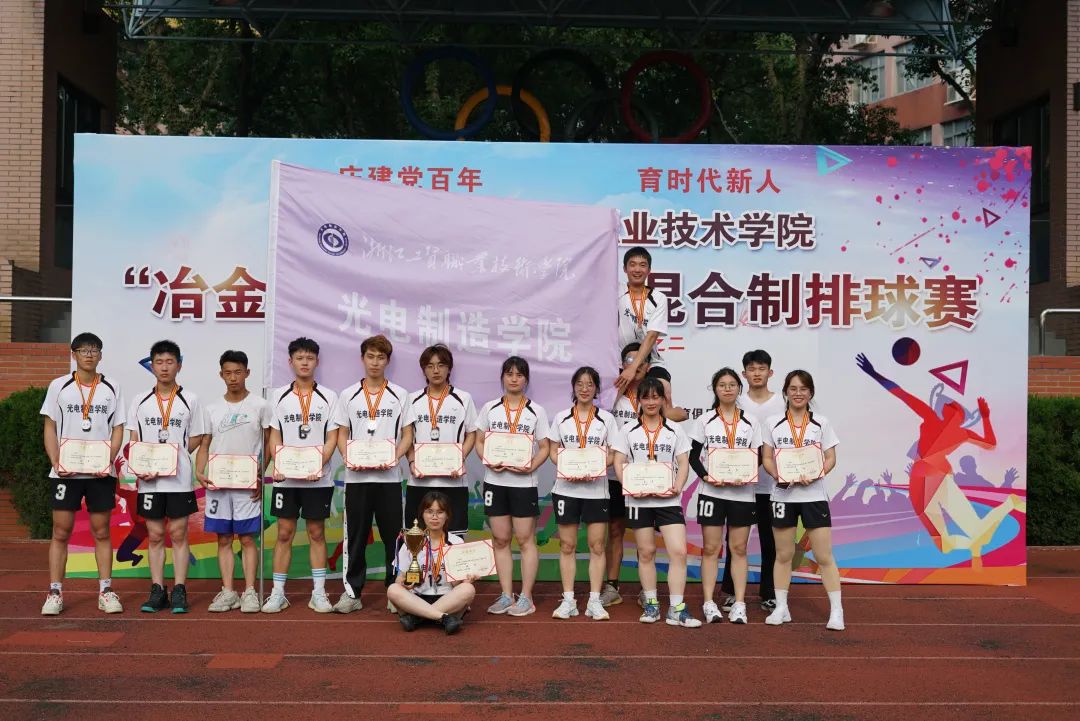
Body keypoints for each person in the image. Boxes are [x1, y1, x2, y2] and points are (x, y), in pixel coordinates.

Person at [856, 353, 1023, 563]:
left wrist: (874, 373)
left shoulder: (933, 418)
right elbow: (990, 444)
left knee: (946, 544)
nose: (944, 405)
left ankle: (991, 524)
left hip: (926, 480)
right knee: (964, 538)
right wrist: (986, 417)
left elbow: (901, 393)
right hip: (936, 477)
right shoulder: (961, 432)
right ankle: (1002, 512)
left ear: (949, 413)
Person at [40, 332, 126, 616]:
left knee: (101, 531)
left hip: (100, 473)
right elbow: (50, 425)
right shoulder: (59, 386)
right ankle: (55, 592)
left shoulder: (112, 387)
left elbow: (118, 428)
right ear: (73, 354)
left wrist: (108, 458)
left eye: (94, 350)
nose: (89, 354)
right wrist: (55, 460)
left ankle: (106, 591)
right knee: (60, 531)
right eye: (83, 350)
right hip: (66, 473)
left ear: (100, 355)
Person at [601, 342, 686, 608]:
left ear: (647, 366)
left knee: (646, 538)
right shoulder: (612, 394)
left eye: (639, 361)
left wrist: (666, 405)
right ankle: (612, 586)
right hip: (617, 475)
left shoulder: (655, 396)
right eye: (629, 361)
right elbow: (601, 410)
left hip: (655, 480)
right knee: (615, 530)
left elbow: (679, 415)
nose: (633, 366)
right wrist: (621, 384)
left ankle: (646, 591)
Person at [611, 377, 701, 628]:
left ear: (663, 399)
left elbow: (683, 462)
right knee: (646, 552)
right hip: (639, 501)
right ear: (639, 400)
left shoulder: (674, 429)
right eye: (646, 397)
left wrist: (678, 486)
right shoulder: (628, 430)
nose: (651, 402)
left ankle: (676, 608)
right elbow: (618, 460)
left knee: (678, 551)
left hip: (668, 500)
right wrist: (628, 485)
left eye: (655, 397)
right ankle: (651, 604)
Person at [126, 340, 207, 614]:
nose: (164, 367)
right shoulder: (140, 401)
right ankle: (158, 590)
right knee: (156, 534)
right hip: (149, 481)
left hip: (179, 480)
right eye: (159, 362)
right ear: (152, 366)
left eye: (170, 362)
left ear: (179, 365)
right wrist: (142, 465)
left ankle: (180, 590)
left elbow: (197, 436)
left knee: (179, 533)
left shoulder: (190, 399)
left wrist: (176, 455)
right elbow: (134, 439)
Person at [332, 334, 411, 614]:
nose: (375, 362)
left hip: (389, 480)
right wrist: (348, 457)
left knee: (394, 538)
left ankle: (394, 592)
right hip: (357, 480)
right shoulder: (348, 394)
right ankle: (352, 593)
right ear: (362, 359)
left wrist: (394, 456)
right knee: (355, 538)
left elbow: (408, 434)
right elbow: (341, 432)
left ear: (387, 361)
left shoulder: (400, 395)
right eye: (370, 356)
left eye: (381, 357)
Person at [761, 370, 844, 631]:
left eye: (803, 389)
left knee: (823, 555)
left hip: (814, 495)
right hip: (782, 495)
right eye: (793, 388)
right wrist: (779, 475)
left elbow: (830, 458)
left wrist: (816, 473)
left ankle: (837, 611)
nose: (798, 393)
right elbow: (766, 458)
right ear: (786, 392)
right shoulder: (773, 422)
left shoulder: (821, 423)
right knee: (784, 554)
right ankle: (781, 607)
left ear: (811, 392)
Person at [263, 337, 340, 614]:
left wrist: (317, 464)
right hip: (286, 479)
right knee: (284, 533)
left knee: (316, 532)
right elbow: (274, 434)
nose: (304, 362)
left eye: (309, 358)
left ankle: (318, 593)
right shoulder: (278, 396)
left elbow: (332, 437)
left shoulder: (329, 397)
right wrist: (278, 465)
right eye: (299, 358)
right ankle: (278, 593)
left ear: (317, 361)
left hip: (318, 479)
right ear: (290, 362)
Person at [194, 350, 271, 613]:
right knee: (224, 538)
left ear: (247, 373)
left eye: (238, 372)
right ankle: (228, 592)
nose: (233, 378)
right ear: (221, 375)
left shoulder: (260, 406)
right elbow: (205, 444)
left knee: (247, 539)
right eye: (228, 373)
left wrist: (260, 474)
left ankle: (249, 592)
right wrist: (200, 471)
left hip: (247, 485)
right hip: (219, 485)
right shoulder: (211, 409)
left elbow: (268, 444)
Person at [473, 356, 551, 617]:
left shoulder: (536, 411)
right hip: (495, 483)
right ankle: (507, 594)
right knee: (500, 539)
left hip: (523, 484)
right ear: (503, 377)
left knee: (525, 540)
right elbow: (479, 441)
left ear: (526, 379)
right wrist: (487, 459)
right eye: (509, 374)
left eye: (519, 374)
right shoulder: (490, 408)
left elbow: (545, 447)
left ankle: (526, 597)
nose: (514, 379)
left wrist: (531, 465)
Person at [688, 368, 763, 624]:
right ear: (715, 389)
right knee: (711, 548)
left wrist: (747, 473)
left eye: (732, 384)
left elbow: (758, 456)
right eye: (722, 385)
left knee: (739, 548)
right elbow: (692, 456)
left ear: (739, 388)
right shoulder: (705, 420)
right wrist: (706, 477)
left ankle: (739, 603)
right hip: (712, 493)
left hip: (742, 494)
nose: (727, 389)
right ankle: (709, 602)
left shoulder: (751, 421)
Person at [717, 349, 785, 614]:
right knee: (735, 543)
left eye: (762, 368)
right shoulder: (736, 400)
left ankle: (770, 593)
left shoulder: (783, 402)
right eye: (752, 369)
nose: (757, 373)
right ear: (744, 374)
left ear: (770, 372)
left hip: (773, 485)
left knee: (771, 541)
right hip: (739, 486)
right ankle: (731, 592)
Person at [546, 366, 616, 621]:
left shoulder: (606, 419)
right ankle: (568, 600)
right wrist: (568, 467)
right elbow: (553, 450)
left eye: (590, 384)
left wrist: (594, 468)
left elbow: (613, 453)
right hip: (566, 490)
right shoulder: (561, 418)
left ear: (596, 389)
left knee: (597, 545)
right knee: (567, 545)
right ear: (573, 387)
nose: (584, 389)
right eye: (580, 384)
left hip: (596, 490)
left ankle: (594, 601)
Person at [403, 344, 477, 538]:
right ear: (423, 370)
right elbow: (406, 437)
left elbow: (472, 434)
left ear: (449, 368)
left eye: (441, 365)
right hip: (419, 481)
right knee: (416, 539)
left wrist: (459, 458)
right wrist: (412, 461)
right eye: (430, 366)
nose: (436, 370)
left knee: (453, 539)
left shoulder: (463, 398)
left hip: (453, 482)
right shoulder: (411, 399)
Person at [387, 491, 477, 634]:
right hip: (416, 598)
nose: (434, 517)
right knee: (393, 589)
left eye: (440, 512)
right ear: (422, 514)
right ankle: (443, 618)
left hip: (447, 598)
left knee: (468, 589)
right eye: (429, 512)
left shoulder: (456, 542)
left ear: (447, 515)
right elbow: (400, 579)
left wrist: (466, 579)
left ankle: (417, 617)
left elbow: (457, 585)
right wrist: (404, 583)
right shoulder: (412, 540)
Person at [614, 246, 670, 391]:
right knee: (611, 397)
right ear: (624, 269)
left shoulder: (659, 298)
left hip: (650, 361)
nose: (637, 269)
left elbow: (652, 336)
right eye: (632, 265)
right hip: (619, 361)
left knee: (664, 391)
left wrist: (633, 367)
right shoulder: (615, 290)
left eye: (642, 265)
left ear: (649, 270)